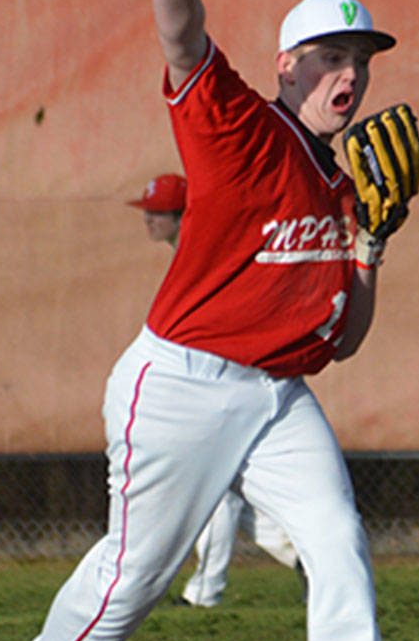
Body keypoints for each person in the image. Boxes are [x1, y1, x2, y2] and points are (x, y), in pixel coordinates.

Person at [0, 0, 409, 641]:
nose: (350, 77)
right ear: (287, 66)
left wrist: (373, 242)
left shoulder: (344, 184)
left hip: (277, 395)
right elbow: (184, 49)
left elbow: (346, 340)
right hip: (182, 382)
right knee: (134, 579)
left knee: (338, 545)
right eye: (331, 58)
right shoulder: (244, 127)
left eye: (359, 62)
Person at [126, 171, 304, 607]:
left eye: (157, 212)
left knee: (217, 489)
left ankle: (206, 591)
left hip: (229, 375)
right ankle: (305, 560)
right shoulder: (191, 250)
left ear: (180, 214)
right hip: (216, 374)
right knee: (236, 492)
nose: (148, 219)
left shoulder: (206, 249)